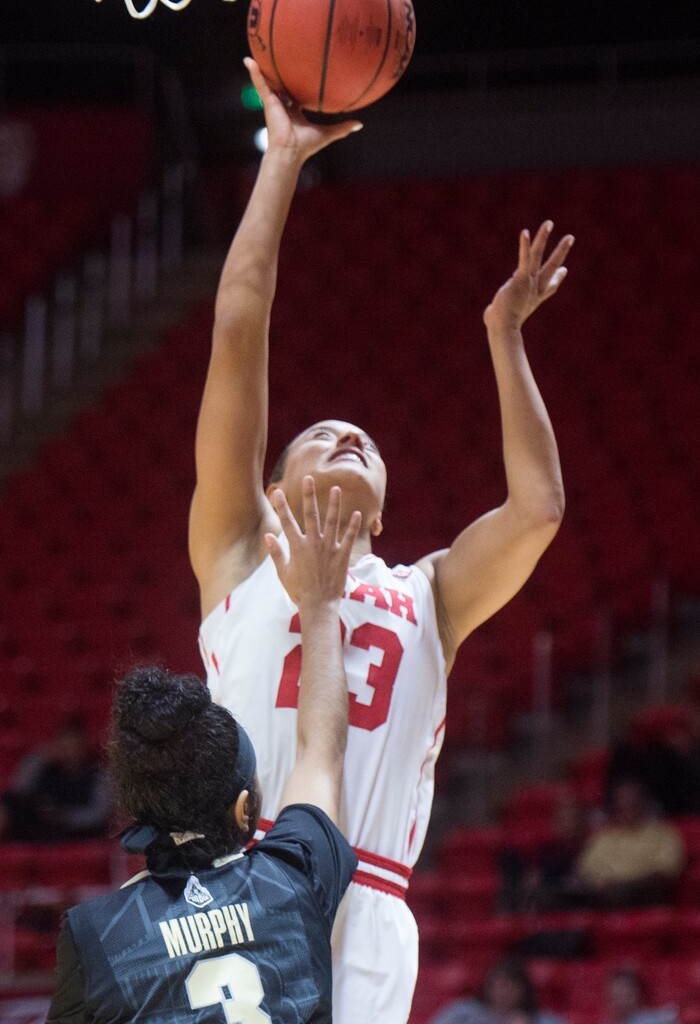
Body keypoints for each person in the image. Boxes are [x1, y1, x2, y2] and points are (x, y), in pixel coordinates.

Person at [190, 57, 572, 1022]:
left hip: (373, 899)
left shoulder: (430, 591)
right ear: (273, 489)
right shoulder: (239, 553)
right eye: (320, 434)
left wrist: (505, 336)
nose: (348, 433)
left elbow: (538, 509)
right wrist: (281, 161)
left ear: (387, 514)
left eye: (363, 440)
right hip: (243, 880)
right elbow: (238, 328)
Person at [47, 478, 361, 1023]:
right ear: (244, 809)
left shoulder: (95, 935)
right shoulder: (293, 878)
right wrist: (320, 603)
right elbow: (321, 751)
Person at [572, 779, 685, 907]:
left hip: (644, 892)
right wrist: (599, 884)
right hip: (601, 894)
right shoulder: (603, 837)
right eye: (622, 804)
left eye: (633, 804)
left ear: (644, 804)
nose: (627, 808)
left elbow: (667, 871)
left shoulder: (664, 834)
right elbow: (584, 870)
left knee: (622, 892)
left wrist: (629, 883)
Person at [0, 718, 112, 843]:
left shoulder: (97, 774)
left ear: (84, 747)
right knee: (9, 800)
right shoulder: (48, 768)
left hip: (76, 831)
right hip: (44, 825)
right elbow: (19, 789)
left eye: (74, 747)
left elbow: (98, 815)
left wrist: (65, 816)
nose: (70, 753)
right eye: (65, 747)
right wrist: (42, 758)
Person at [427, 957, 567, 1024]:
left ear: (523, 989)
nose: (503, 993)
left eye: (510, 987)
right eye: (498, 985)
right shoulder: (461, 1014)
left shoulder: (542, 1020)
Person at [602, 968, 678, 1024]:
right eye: (616, 996)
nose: (620, 1001)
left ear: (637, 993)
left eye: (624, 994)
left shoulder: (660, 1019)